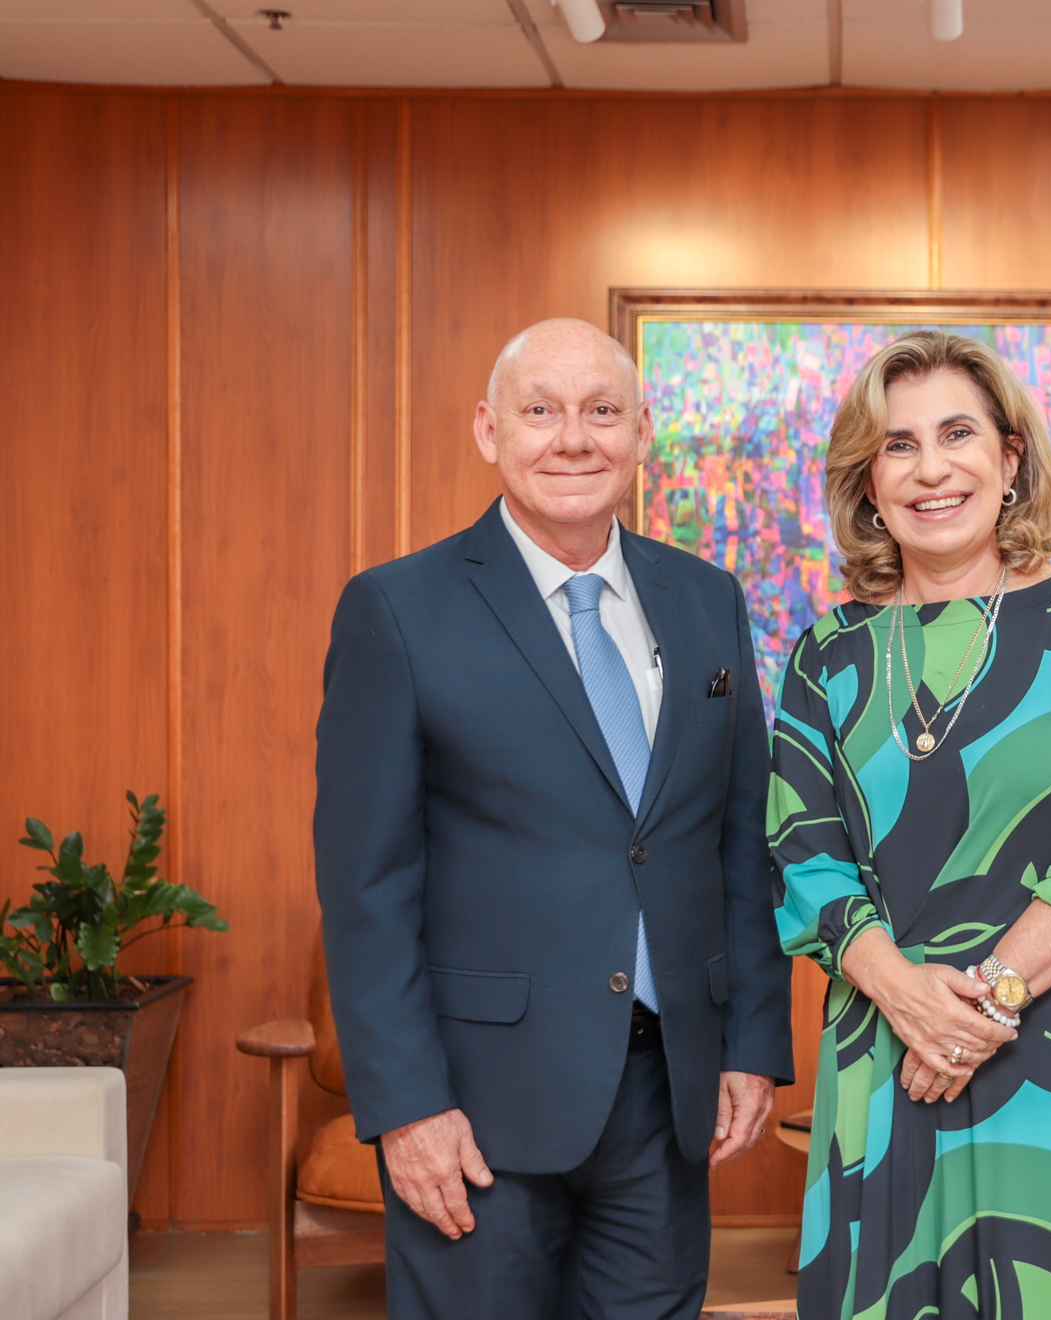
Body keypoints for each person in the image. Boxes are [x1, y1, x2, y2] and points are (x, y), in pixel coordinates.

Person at [314, 318, 792, 1320]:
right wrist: (406, 1107)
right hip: (478, 1104)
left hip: (668, 1094)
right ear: (491, 431)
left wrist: (753, 1040)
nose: (573, 439)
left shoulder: (708, 600)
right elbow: (366, 888)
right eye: (542, 411)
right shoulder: (397, 610)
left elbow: (738, 845)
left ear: (641, 431)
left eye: (601, 411)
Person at [769, 330, 1051, 1320]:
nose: (930, 467)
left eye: (958, 433)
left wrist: (978, 1011)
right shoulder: (827, 655)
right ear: (869, 482)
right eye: (898, 443)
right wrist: (908, 996)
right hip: (886, 1047)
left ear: (1008, 459)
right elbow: (802, 855)